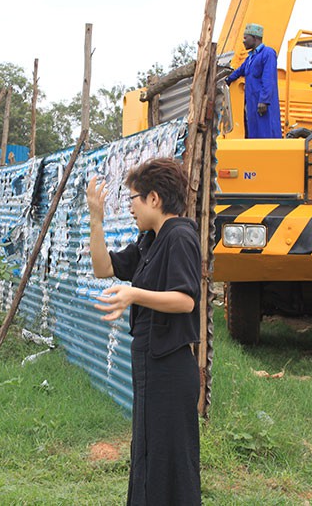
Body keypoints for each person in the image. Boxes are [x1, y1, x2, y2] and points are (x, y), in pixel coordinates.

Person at [86, 158, 202, 506]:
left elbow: (185, 300)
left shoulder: (180, 236)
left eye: (132, 199)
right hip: (151, 364)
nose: (130, 208)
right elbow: (104, 268)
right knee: (150, 456)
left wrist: (134, 294)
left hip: (170, 366)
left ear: (154, 198)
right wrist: (96, 219)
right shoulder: (150, 241)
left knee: (170, 461)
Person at [225, 22, 282, 138]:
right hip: (252, 103)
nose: (243, 41)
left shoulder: (268, 53)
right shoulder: (250, 58)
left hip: (263, 104)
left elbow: (268, 78)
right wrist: (226, 79)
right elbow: (238, 71)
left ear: (255, 38)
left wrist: (264, 101)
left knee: (266, 133)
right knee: (253, 134)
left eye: (246, 38)